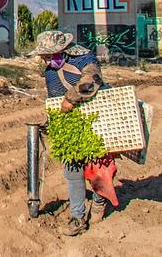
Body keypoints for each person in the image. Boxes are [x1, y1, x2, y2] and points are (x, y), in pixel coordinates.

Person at [28, 31, 112, 237]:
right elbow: (56, 101)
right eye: (44, 56)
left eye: (49, 55)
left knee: (99, 168)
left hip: (97, 121)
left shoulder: (85, 60)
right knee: (72, 171)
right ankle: (78, 217)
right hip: (72, 127)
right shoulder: (50, 73)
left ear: (64, 51)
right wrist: (51, 121)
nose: (45, 59)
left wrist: (71, 98)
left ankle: (100, 201)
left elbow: (91, 81)